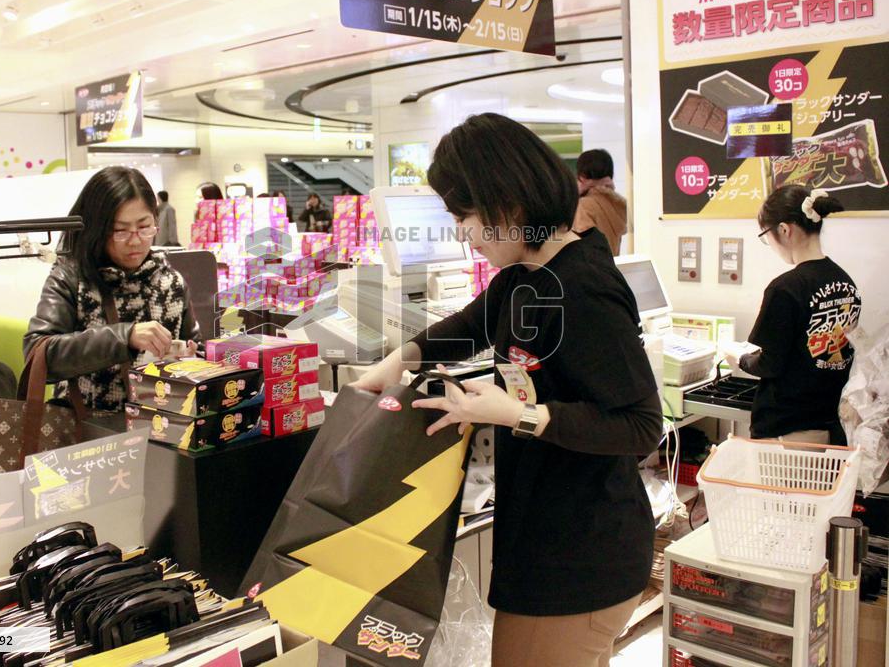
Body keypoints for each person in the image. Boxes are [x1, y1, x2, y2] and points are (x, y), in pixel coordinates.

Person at [352, 114, 661, 667]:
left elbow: (640, 426)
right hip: (550, 541)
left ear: (507, 206)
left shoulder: (584, 287)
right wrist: (390, 367)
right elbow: (466, 327)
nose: (462, 234)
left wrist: (521, 414)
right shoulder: (524, 275)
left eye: (464, 217)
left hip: (580, 559)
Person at [25, 167, 200, 412]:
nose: (135, 240)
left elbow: (195, 346)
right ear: (96, 229)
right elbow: (37, 355)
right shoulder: (72, 278)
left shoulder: (171, 282)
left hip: (159, 424)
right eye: (120, 230)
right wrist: (124, 337)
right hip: (85, 426)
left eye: (144, 227)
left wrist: (192, 358)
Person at [724, 186, 860, 444]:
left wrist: (739, 357)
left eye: (766, 236)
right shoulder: (845, 282)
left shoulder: (785, 289)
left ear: (784, 230)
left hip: (786, 429)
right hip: (831, 423)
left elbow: (769, 364)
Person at [572, 148, 627, 256]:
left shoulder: (584, 206)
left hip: (590, 265)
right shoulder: (616, 203)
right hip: (612, 264)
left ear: (582, 176)